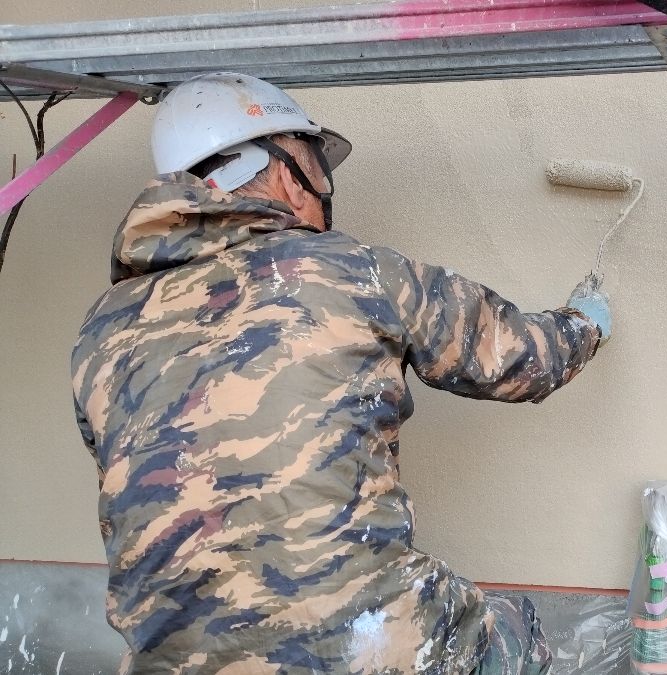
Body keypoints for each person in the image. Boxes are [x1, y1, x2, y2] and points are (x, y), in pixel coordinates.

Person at [70, 72, 611, 674]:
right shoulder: (353, 270)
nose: (325, 185)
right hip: (359, 645)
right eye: (316, 162)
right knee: (515, 637)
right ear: (285, 173)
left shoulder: (103, 326)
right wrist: (585, 324)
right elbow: (521, 359)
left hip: (172, 660)